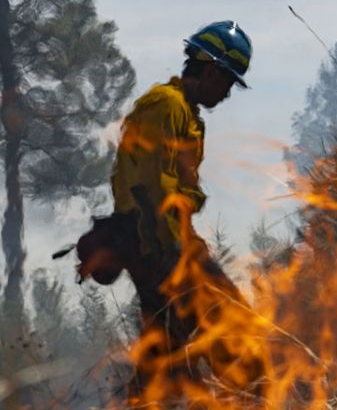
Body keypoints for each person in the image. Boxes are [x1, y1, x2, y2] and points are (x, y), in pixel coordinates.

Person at [108, 21, 252, 387]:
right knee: (194, 334)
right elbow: (152, 191)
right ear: (210, 69)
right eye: (227, 81)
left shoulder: (186, 114)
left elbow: (177, 191)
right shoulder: (166, 106)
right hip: (156, 244)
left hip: (170, 240)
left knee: (176, 340)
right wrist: (171, 257)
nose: (227, 93)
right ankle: (245, 403)